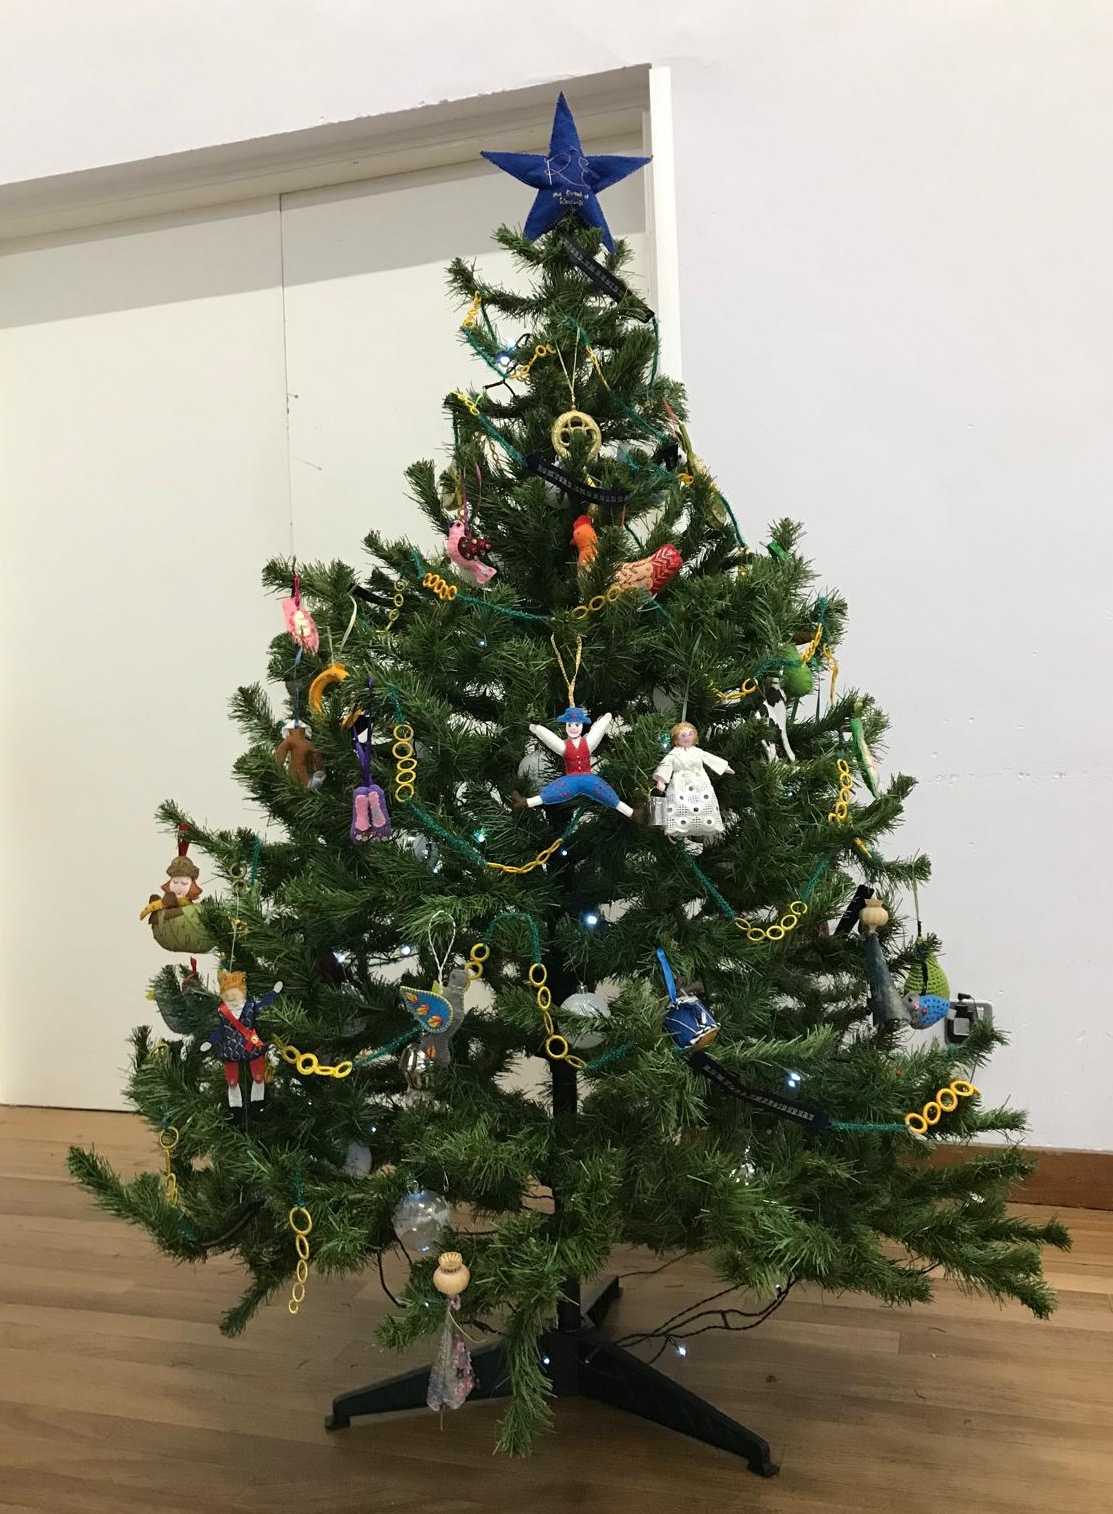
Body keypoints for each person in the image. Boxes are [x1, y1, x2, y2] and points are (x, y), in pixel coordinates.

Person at [513, 705, 638, 817]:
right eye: (570, 725)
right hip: (570, 781)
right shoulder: (564, 746)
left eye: (577, 725)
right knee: (553, 792)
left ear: (581, 725)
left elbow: (597, 733)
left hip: (589, 779)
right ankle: (525, 802)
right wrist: (537, 729)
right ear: (566, 725)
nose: (573, 728)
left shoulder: (587, 744)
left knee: (606, 794)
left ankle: (631, 813)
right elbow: (550, 739)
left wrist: (605, 721)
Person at [200, 970, 282, 1121]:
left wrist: (273, 993)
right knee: (232, 1081)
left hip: (252, 1046)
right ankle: (235, 1110)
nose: (231, 997)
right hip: (231, 1049)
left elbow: (263, 1004)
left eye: (234, 994)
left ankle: (257, 1106)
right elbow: (221, 1031)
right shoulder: (223, 1013)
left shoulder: (250, 1007)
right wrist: (210, 1041)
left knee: (259, 1077)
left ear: (242, 992)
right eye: (227, 995)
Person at [653, 721, 733, 843]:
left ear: (694, 736)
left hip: (700, 783)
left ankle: (706, 822)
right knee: (679, 804)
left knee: (704, 803)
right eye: (683, 735)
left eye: (690, 734)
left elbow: (710, 758)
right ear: (676, 739)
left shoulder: (697, 752)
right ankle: (678, 826)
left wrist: (724, 767)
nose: (687, 738)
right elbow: (666, 765)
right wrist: (661, 780)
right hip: (680, 784)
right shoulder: (673, 754)